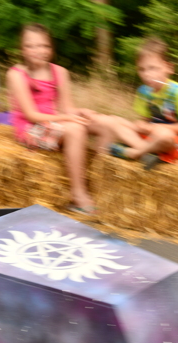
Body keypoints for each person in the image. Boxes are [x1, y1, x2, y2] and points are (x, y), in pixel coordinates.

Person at [6, 23, 105, 214]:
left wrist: (82, 112)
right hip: (30, 129)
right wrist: (68, 119)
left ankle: (103, 183)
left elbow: (67, 107)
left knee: (103, 122)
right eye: (31, 46)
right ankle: (78, 194)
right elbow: (31, 114)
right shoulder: (16, 75)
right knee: (76, 129)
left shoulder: (59, 72)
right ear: (22, 49)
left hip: (54, 122)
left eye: (44, 46)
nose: (39, 51)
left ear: (51, 48)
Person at [93, 38, 178, 170]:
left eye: (153, 68)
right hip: (150, 137)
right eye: (142, 69)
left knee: (163, 134)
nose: (147, 74)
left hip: (175, 142)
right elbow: (146, 120)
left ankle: (136, 152)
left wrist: (157, 128)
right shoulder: (143, 92)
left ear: (169, 68)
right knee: (112, 121)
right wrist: (141, 124)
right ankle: (146, 151)